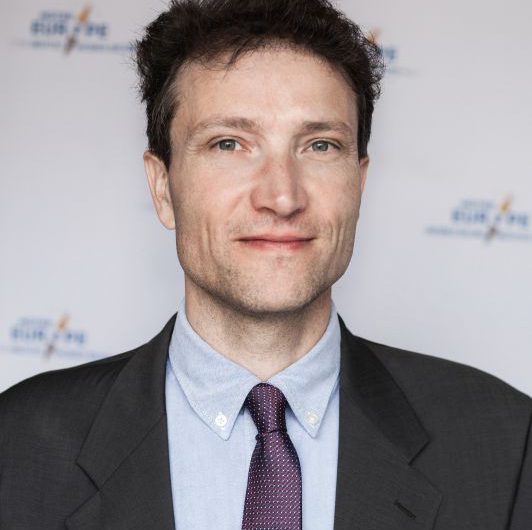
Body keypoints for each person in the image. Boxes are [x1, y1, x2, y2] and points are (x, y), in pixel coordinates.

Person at [1, 0, 531, 528]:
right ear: (163, 189)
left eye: (320, 146)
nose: (282, 197)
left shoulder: (506, 444)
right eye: (229, 144)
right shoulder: (17, 445)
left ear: (359, 182)